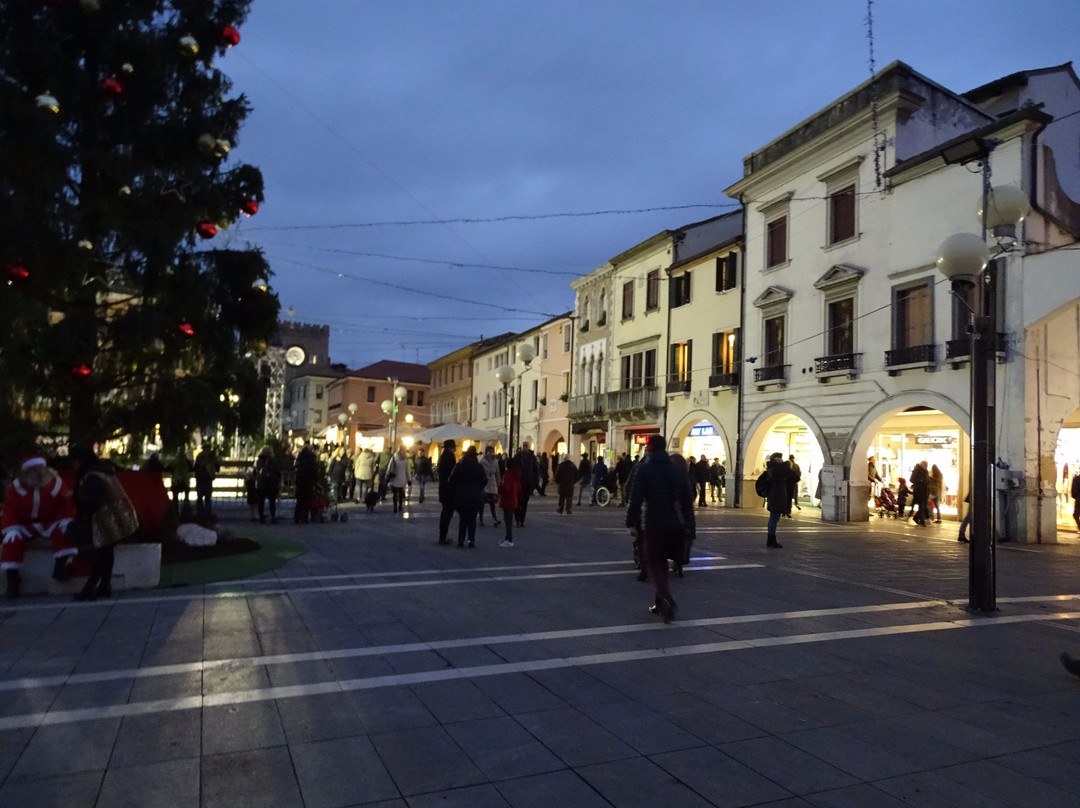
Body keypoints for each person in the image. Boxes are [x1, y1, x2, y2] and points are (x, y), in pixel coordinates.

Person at [625, 434, 695, 620]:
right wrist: (688, 524)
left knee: (656, 562)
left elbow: (635, 499)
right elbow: (688, 499)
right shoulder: (677, 470)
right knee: (663, 561)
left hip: (654, 522)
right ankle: (659, 603)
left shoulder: (644, 469)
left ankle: (667, 598)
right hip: (675, 522)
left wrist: (630, 522)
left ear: (649, 448)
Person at [69, 440, 140, 602]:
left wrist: (82, 512)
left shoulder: (92, 475)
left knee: (102, 555)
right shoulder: (102, 470)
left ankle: (89, 588)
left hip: (105, 520)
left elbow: (92, 502)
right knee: (106, 553)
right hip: (116, 517)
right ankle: (104, 586)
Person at [1, 454, 78, 598]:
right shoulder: (16, 488)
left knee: (64, 533)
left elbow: (67, 503)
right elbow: (9, 510)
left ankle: (60, 568)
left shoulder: (56, 484)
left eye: (42, 469)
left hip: (49, 522)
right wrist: (11, 528)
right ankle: (13, 580)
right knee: (12, 541)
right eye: (35, 470)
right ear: (27, 473)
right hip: (24, 524)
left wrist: (66, 519)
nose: (40, 473)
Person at [448, 446, 487, 547]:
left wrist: (457, 488)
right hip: (475, 495)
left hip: (461, 495)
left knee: (463, 519)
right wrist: (478, 487)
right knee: (472, 519)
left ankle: (461, 539)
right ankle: (471, 540)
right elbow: (484, 481)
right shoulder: (478, 467)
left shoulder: (459, 465)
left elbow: (451, 479)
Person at [763, 452, 791, 547]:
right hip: (777, 496)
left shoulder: (771, 468)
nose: (782, 460)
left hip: (774, 496)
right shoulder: (776, 469)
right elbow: (787, 472)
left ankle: (771, 539)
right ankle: (771, 539)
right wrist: (784, 463)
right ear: (776, 459)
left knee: (773, 518)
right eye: (780, 458)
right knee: (774, 518)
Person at [436, 439, 457, 545]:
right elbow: (453, 474)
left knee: (445, 513)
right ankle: (443, 537)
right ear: (451, 448)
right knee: (447, 514)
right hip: (449, 490)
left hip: (443, 489)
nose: (455, 449)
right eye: (454, 447)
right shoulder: (450, 458)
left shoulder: (442, 457)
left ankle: (442, 535)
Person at [497, 457, 522, 547]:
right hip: (513, 499)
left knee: (507, 520)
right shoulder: (516, 474)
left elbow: (506, 488)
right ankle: (507, 537)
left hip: (507, 499)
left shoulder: (508, 475)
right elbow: (519, 487)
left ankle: (509, 539)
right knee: (509, 520)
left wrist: (499, 488)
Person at [254, 445, 282, 524]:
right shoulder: (273, 461)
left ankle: (261, 517)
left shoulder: (258, 461)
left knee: (261, 502)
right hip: (271, 484)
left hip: (261, 483)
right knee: (272, 501)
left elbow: (255, 472)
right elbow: (277, 471)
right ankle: (273, 517)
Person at [514, 442, 539, 527]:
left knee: (524, 502)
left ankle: (522, 520)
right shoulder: (518, 456)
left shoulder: (532, 457)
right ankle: (517, 519)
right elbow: (513, 468)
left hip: (528, 482)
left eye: (526, 446)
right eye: (524, 446)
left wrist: (535, 482)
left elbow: (536, 470)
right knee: (517, 502)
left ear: (528, 447)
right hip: (518, 482)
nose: (525, 448)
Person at [293, 444, 319, 524]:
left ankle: (297, 517)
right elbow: (314, 470)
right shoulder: (311, 458)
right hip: (308, 481)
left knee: (299, 500)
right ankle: (304, 518)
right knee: (306, 500)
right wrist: (315, 479)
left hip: (300, 481)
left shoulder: (300, 458)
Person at [193, 445, 219, 517]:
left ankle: (200, 513)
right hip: (208, 478)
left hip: (200, 478)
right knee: (208, 497)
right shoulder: (212, 457)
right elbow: (217, 467)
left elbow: (195, 467)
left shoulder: (199, 456)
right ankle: (208, 513)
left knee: (200, 496)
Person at [479, 445, 501, 526]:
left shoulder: (495, 461)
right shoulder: (482, 462)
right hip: (485, 485)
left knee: (492, 504)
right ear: (486, 452)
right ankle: (481, 520)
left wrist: (499, 483)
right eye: (489, 452)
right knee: (482, 504)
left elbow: (498, 473)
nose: (491, 453)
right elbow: (480, 474)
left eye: (492, 452)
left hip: (493, 485)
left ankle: (495, 519)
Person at [387, 446, 412, 514]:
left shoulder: (394, 458)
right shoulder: (406, 459)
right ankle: (400, 505)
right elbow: (407, 470)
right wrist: (409, 479)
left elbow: (390, 467)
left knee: (395, 494)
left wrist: (387, 476)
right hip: (403, 478)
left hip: (395, 478)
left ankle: (395, 506)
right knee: (401, 493)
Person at [909, 460, 930, 527]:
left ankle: (916, 518)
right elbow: (912, 479)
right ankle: (921, 521)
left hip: (925, 491)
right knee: (921, 506)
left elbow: (927, 480)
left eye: (927, 465)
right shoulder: (917, 471)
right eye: (925, 465)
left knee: (923, 507)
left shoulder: (925, 471)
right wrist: (920, 480)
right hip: (919, 491)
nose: (926, 467)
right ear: (922, 465)